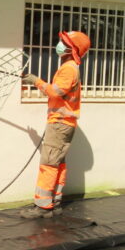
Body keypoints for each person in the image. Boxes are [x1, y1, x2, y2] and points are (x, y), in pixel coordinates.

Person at [20, 30, 91, 218]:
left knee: (49, 163)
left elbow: (55, 93)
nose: (59, 43)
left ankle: (43, 207)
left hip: (59, 123)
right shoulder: (71, 66)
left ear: (72, 48)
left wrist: (36, 81)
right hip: (64, 123)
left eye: (64, 41)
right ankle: (55, 201)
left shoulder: (69, 68)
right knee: (58, 162)